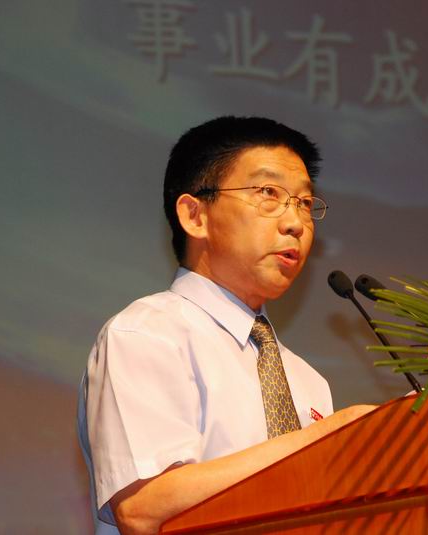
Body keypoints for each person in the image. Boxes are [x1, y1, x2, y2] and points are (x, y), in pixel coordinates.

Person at [77, 116, 375, 535]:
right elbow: (145, 508)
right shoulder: (147, 335)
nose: (295, 222)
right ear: (195, 215)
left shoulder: (308, 381)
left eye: (305, 203)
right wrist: (323, 441)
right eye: (268, 193)